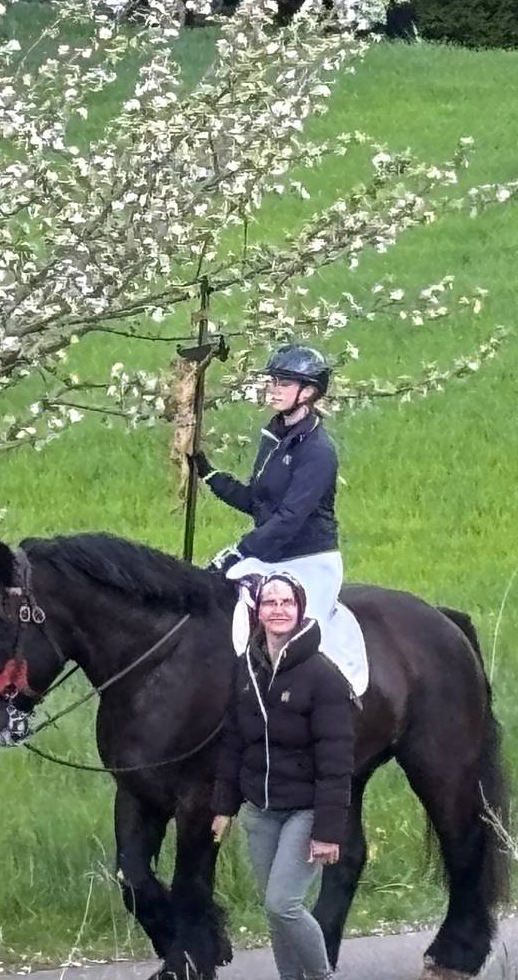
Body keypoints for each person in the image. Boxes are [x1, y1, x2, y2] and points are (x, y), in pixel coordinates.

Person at [210, 573, 355, 980]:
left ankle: (324, 976)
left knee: (282, 904)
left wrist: (328, 831)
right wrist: (224, 806)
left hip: (306, 812)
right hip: (261, 811)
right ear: (258, 611)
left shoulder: (322, 677)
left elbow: (336, 759)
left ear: (299, 609)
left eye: (286, 602)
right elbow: (234, 742)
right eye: (270, 603)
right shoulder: (248, 670)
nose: (278, 610)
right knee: (275, 914)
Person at [192, 346, 358, 683]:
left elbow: (289, 518)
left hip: (310, 561)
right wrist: (208, 473)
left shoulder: (318, 452)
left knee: (289, 633)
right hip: (270, 556)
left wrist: (239, 550)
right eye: (273, 381)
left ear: (308, 392)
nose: (274, 388)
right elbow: (257, 501)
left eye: (283, 383)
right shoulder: (274, 437)